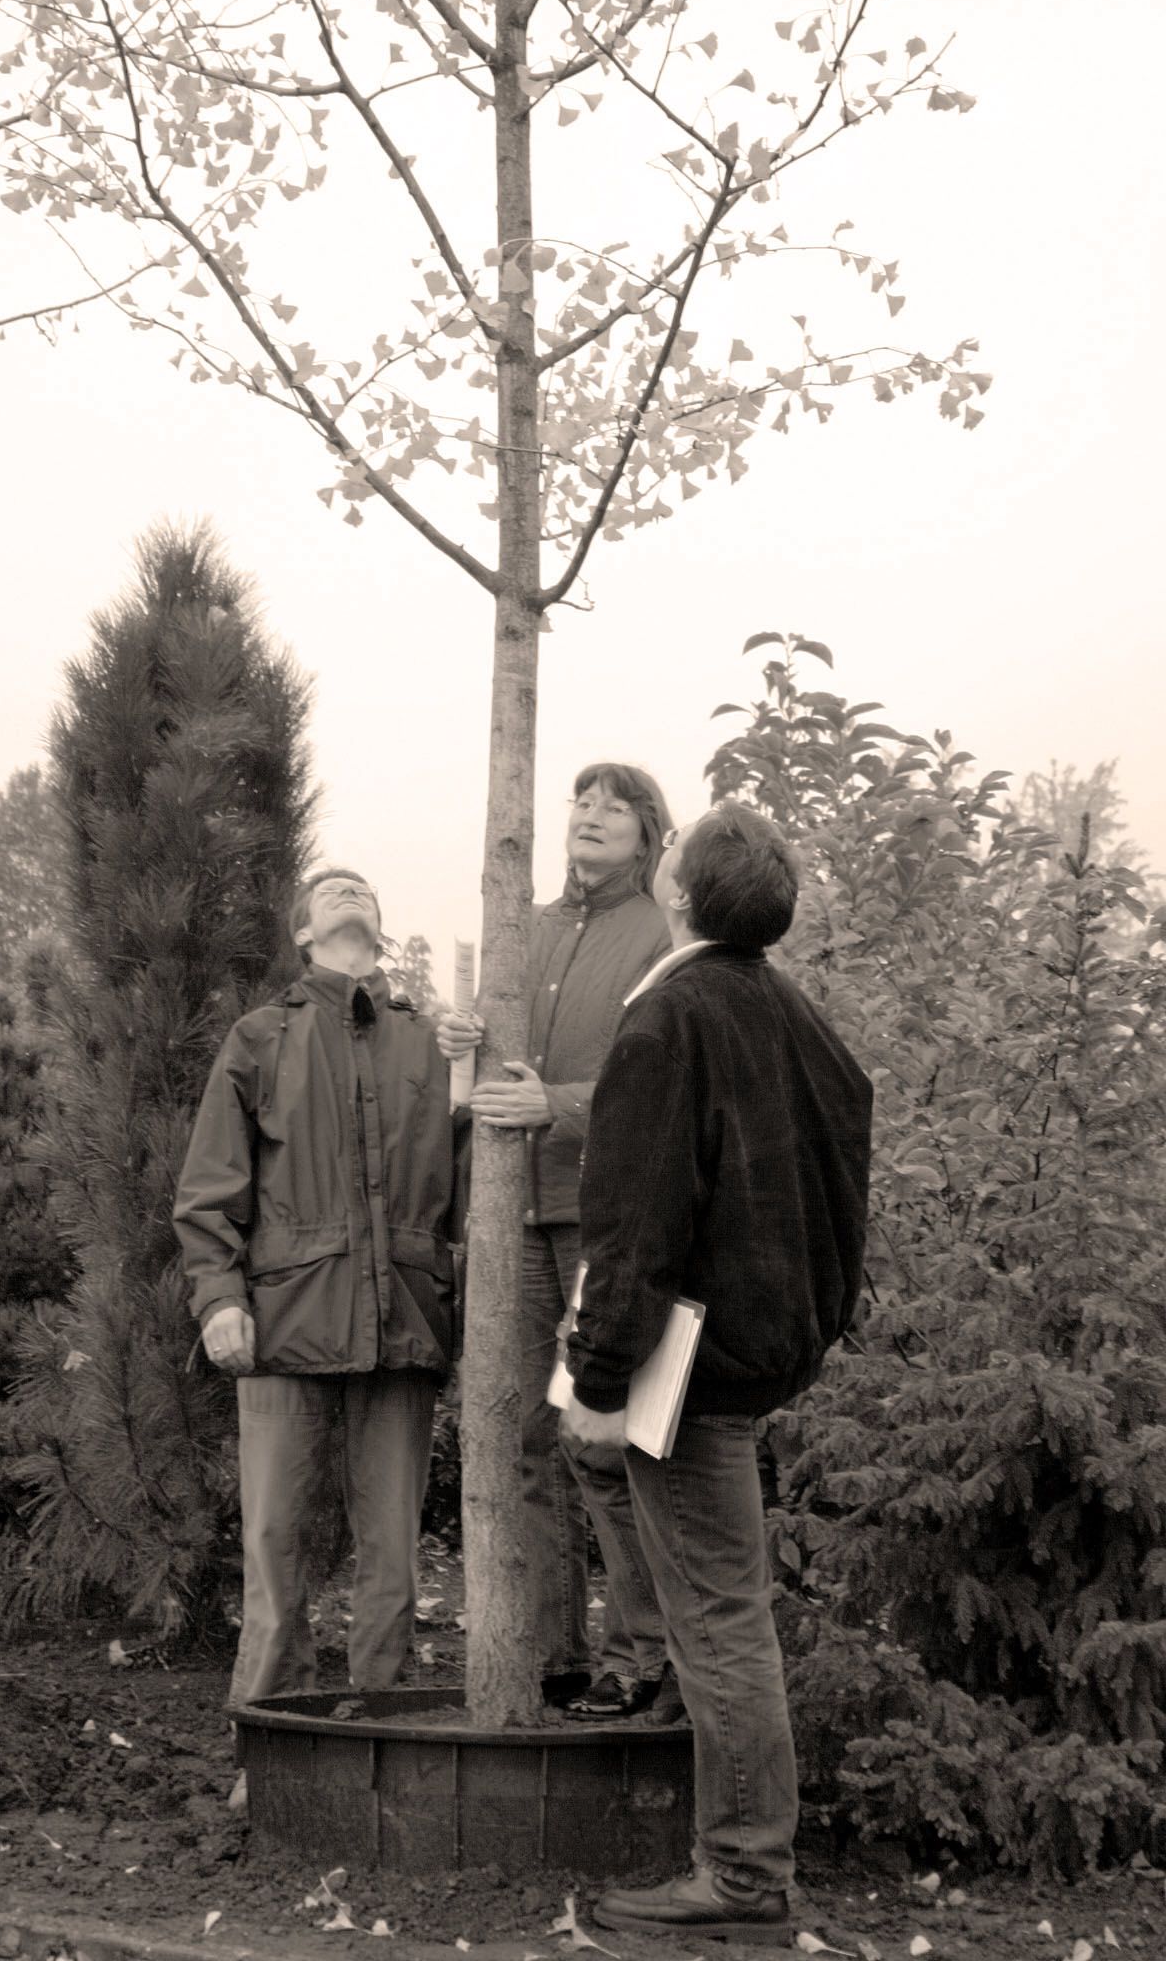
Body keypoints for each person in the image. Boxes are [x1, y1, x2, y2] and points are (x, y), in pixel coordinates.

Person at [561, 802, 872, 1943]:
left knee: (718, 1623)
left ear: (681, 895)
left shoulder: (669, 1019)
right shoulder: (797, 1018)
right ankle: (746, 1869)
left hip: (681, 1377)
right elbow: (841, 1193)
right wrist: (809, 1325)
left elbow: (631, 1224)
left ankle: (742, 1881)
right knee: (726, 1610)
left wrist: (599, 1380)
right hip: (751, 1359)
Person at [173, 867, 458, 1710]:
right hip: (281, 1323)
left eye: (365, 889)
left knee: (394, 1552)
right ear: (302, 934)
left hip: (403, 1321)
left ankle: (383, 1729)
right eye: (331, 890)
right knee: (274, 1543)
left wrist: (482, 1070)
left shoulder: (431, 1043)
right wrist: (220, 1298)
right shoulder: (260, 1039)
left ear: (381, 924)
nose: (351, 893)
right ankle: (269, 1740)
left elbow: (474, 1181)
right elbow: (208, 1190)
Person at [439, 763, 674, 1718]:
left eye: (616, 807)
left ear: (650, 837)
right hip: (513, 1212)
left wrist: (559, 1106)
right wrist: (465, 1042)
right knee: (528, 1438)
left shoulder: (660, 934)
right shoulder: (522, 930)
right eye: (582, 802)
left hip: (600, 1213)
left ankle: (641, 1656)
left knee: (605, 1440)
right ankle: (549, 1651)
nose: (592, 815)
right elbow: (491, 1075)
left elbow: (661, 1077)